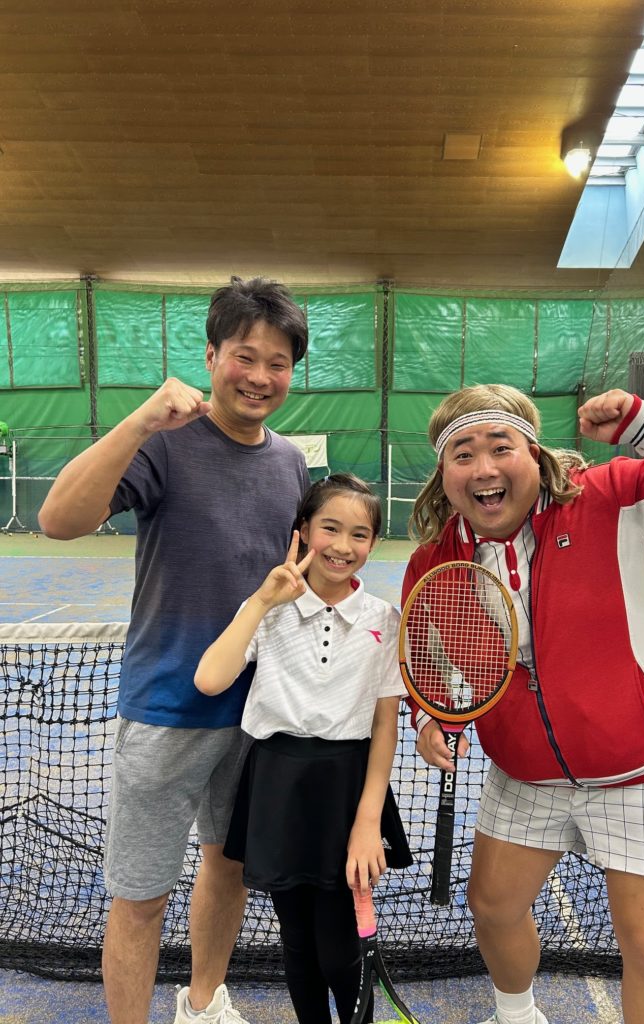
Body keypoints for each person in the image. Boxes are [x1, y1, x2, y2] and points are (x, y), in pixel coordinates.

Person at [402, 385, 644, 1024]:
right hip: (525, 773)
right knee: (493, 908)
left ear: (534, 454)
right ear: (444, 474)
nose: (482, 468)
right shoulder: (436, 559)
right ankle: (517, 1015)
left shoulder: (614, 498)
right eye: (462, 454)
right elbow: (424, 653)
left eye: (500, 447)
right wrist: (432, 715)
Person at [37, 276, 311, 1024]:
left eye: (278, 362)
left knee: (229, 870)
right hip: (165, 710)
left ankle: (202, 1003)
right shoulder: (164, 446)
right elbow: (58, 519)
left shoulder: (291, 463)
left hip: (258, 713)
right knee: (141, 896)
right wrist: (139, 420)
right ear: (211, 355)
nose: (260, 376)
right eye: (244, 356)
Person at [194, 473, 412, 1024]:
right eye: (330, 529)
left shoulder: (384, 620)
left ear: (374, 542)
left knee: (339, 947)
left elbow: (385, 725)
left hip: (346, 790)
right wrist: (263, 599)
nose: (343, 546)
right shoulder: (268, 609)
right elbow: (210, 679)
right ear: (303, 531)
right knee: (296, 939)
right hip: (276, 785)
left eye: (359, 534)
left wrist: (368, 822)